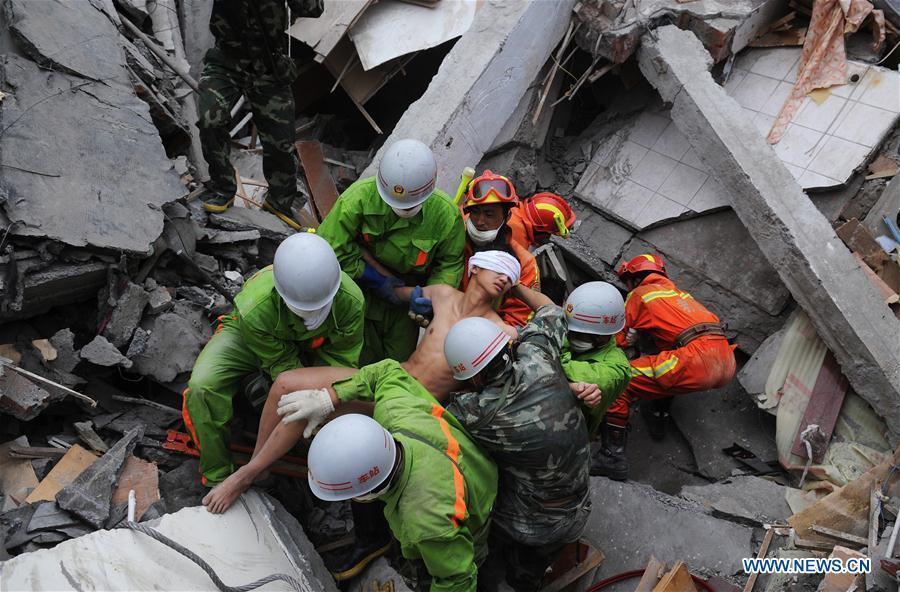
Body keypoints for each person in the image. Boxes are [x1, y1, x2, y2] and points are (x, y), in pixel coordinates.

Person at [199, 251, 520, 513]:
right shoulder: (444, 295)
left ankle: (245, 475)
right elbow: (393, 292)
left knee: (313, 399)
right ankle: (259, 463)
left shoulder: (501, 331)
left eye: (513, 276)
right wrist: (378, 277)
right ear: (475, 268)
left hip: (413, 401)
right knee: (284, 383)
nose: (506, 276)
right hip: (389, 374)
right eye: (499, 268)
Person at [182, 232, 364, 487]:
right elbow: (283, 369)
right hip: (249, 336)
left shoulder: (350, 302)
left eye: (319, 308)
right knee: (203, 387)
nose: (312, 314)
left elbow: (342, 365)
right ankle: (218, 475)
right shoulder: (255, 306)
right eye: (304, 309)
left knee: (334, 402)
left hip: (312, 347)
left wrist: (323, 403)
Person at [441, 306, 591, 591]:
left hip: (537, 524)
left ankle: (517, 576)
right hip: (579, 495)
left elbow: (435, 416)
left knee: (479, 501)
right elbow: (552, 312)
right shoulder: (538, 356)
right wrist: (520, 334)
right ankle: (530, 573)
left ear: (473, 379)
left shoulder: (475, 413)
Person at [307, 407, 496, 592]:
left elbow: (456, 579)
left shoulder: (425, 522)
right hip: (478, 475)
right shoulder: (396, 410)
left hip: (472, 526)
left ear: (368, 492)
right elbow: (385, 375)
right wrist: (329, 398)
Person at [318, 139, 465, 364]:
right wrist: (373, 278)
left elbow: (449, 264)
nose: (402, 210)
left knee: (398, 366)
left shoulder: (445, 217)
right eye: (395, 205)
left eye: (409, 206)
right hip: (357, 292)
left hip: (405, 305)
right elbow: (328, 252)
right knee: (355, 361)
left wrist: (431, 298)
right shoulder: (357, 200)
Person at [595, 253, 736, 481]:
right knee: (661, 365)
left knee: (617, 382)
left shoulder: (640, 294)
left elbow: (617, 339)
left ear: (634, 278)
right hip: (725, 361)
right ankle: (657, 414)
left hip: (693, 360)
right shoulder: (681, 295)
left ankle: (612, 457)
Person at [196, 0, 323, 229]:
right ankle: (223, 188)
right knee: (210, 119)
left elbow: (314, 9)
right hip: (227, 59)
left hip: (269, 66)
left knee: (281, 141)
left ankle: (279, 202)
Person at [460, 170, 539, 327]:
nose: (480, 221)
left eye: (489, 214)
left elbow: (517, 317)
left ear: (507, 216)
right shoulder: (455, 233)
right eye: (475, 212)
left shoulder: (524, 263)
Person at [507, 192, 577, 251]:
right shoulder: (520, 243)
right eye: (548, 234)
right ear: (540, 229)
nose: (548, 237)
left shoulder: (512, 208)